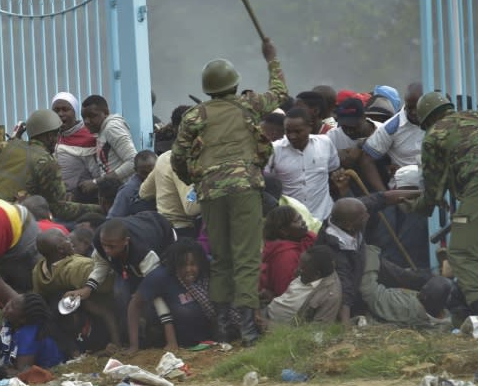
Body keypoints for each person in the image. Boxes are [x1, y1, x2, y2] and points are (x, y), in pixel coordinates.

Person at [172, 37, 287, 346]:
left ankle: (222, 327)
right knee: (247, 258)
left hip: (210, 190)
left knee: (221, 258)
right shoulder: (249, 104)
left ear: (207, 88)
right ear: (235, 84)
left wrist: (195, 179)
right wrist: (271, 58)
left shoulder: (195, 116)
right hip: (244, 187)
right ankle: (248, 330)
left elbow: (178, 158)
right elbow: (280, 93)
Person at [411, 91, 478, 317]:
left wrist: (416, 206)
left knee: (461, 252)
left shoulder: (434, 134)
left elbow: (433, 189)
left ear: (427, 120)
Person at [63, 212, 176, 342]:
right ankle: (128, 337)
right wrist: (88, 288)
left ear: (126, 242)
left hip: (162, 237)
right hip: (129, 255)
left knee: (153, 296)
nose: (107, 250)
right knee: (120, 294)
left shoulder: (143, 252)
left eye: (111, 247)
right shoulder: (101, 240)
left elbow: (155, 288)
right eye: (104, 245)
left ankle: (163, 329)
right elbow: (101, 263)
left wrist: (169, 330)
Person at [0, 109, 101, 221]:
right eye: (56, 135)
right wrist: (100, 209)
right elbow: (60, 209)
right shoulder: (46, 162)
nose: (57, 140)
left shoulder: (5, 145)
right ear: (50, 136)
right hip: (9, 220)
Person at [317, 193, 423, 323]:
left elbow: (382, 198)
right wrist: (345, 329)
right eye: (363, 218)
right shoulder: (336, 252)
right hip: (355, 276)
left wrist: (421, 193)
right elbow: (345, 290)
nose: (367, 216)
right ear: (349, 226)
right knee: (372, 297)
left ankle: (426, 282)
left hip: (365, 257)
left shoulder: (355, 209)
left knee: (403, 276)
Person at [0, 231, 69, 371]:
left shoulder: (28, 335)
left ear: (22, 319)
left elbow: (22, 373)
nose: (6, 306)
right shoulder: (18, 307)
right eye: (10, 303)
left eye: (11, 307)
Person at [32, 229, 120, 349]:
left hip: (65, 316)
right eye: (67, 240)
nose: (71, 242)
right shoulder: (78, 267)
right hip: (96, 311)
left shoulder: (38, 271)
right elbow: (107, 280)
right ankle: (118, 342)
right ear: (60, 249)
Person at [126, 238, 214, 354]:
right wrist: (134, 345)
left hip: (210, 340)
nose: (189, 270)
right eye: (183, 265)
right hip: (179, 344)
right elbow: (134, 305)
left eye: (193, 264)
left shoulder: (207, 268)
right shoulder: (160, 277)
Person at [266, 107, 340, 221]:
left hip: (324, 215)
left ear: (310, 126)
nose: (292, 136)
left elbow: (333, 168)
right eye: (288, 131)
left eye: (297, 131)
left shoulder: (325, 143)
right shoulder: (274, 150)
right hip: (292, 221)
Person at [361, 83, 424, 191]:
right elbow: (366, 159)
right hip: (404, 193)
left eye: (417, 107)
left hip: (436, 189)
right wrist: (385, 195)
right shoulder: (391, 128)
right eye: (410, 107)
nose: (413, 112)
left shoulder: (439, 121)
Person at [263, 246, 342, 326]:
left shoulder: (329, 297)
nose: (296, 271)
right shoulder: (310, 273)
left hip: (277, 330)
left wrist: (271, 326)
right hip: (266, 311)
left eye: (302, 268)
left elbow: (312, 333)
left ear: (317, 274)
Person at [78, 95, 138, 197]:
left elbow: (134, 161)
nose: (87, 122)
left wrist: (97, 182)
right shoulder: (102, 130)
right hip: (114, 192)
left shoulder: (112, 128)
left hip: (124, 193)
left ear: (106, 113)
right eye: (84, 117)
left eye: (92, 116)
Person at [139, 142, 201, 239]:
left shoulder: (164, 157)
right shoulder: (185, 162)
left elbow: (144, 192)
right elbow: (191, 208)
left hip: (162, 227)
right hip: (182, 230)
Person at [52, 92, 100, 203]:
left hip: (80, 200)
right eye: (56, 110)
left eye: (65, 109)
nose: (60, 113)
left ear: (75, 112)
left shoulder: (88, 137)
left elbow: (97, 174)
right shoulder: (50, 137)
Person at [261, 205, 318, 298]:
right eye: (297, 221)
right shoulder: (286, 256)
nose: (303, 222)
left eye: (301, 218)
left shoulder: (303, 239)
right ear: (284, 230)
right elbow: (285, 293)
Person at [107, 150, 158, 218]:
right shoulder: (128, 191)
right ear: (135, 170)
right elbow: (113, 219)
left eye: (152, 172)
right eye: (144, 173)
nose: (148, 176)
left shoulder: (166, 182)